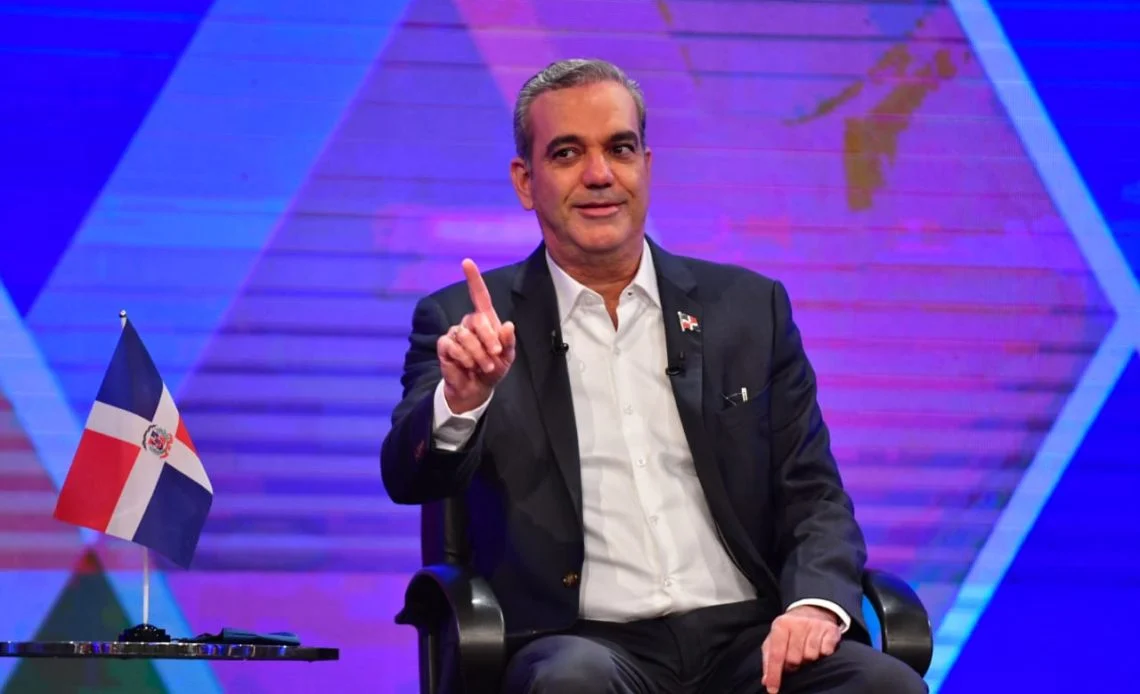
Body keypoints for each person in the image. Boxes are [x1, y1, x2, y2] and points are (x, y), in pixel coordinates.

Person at [381, 58, 927, 694]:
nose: (599, 175)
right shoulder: (467, 321)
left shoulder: (749, 309)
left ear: (646, 165)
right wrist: (461, 400)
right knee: (571, 684)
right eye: (567, 153)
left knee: (883, 687)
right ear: (526, 182)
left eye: (620, 149)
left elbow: (814, 494)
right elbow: (408, 475)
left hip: (750, 640)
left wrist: (814, 605)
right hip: (584, 643)